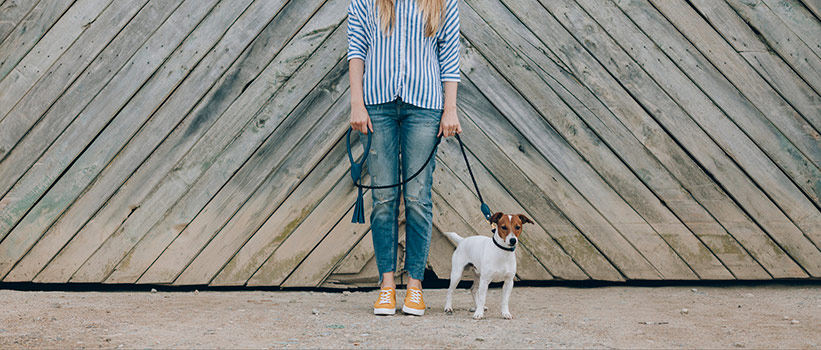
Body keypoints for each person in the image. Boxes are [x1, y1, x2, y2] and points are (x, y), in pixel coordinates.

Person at [347, 0, 461, 316]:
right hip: (376, 106)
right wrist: (357, 102)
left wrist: (449, 109)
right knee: (383, 198)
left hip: (424, 106)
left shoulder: (443, 1)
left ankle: (414, 286)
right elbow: (356, 49)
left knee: (418, 198)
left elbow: (449, 55)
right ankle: (386, 287)